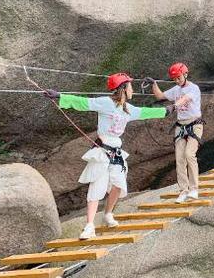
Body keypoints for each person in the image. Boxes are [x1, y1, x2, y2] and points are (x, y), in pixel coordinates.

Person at [44, 73, 183, 239]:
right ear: (123, 88)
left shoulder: (129, 110)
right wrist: (59, 96)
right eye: (130, 86)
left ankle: (108, 214)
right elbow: (83, 103)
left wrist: (174, 107)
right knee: (97, 186)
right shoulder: (105, 102)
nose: (132, 89)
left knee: (119, 184)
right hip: (102, 152)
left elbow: (150, 112)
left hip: (116, 152)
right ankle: (89, 226)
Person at [147, 63, 203, 204]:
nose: (177, 81)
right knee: (179, 159)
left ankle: (194, 189)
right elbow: (160, 96)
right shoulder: (176, 89)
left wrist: (174, 106)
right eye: (174, 79)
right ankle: (183, 191)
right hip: (180, 126)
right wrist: (154, 84)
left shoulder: (194, 88)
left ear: (185, 74)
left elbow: (185, 99)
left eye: (178, 78)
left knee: (189, 154)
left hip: (194, 125)